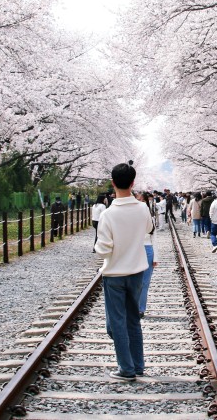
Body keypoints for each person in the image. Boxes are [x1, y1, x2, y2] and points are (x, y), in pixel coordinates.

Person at [93, 163, 153, 381]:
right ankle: (137, 365)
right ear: (133, 183)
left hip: (115, 274)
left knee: (116, 322)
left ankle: (126, 369)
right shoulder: (143, 208)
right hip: (136, 272)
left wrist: (101, 246)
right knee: (133, 319)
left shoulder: (108, 214)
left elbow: (103, 249)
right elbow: (148, 229)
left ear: (113, 183)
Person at [136, 192, 158, 317]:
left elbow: (154, 239)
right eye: (139, 201)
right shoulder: (130, 217)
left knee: (144, 283)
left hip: (148, 249)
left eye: (143, 201)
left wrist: (156, 257)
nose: (141, 204)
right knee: (133, 282)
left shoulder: (151, 218)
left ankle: (141, 309)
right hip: (134, 250)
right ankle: (133, 307)